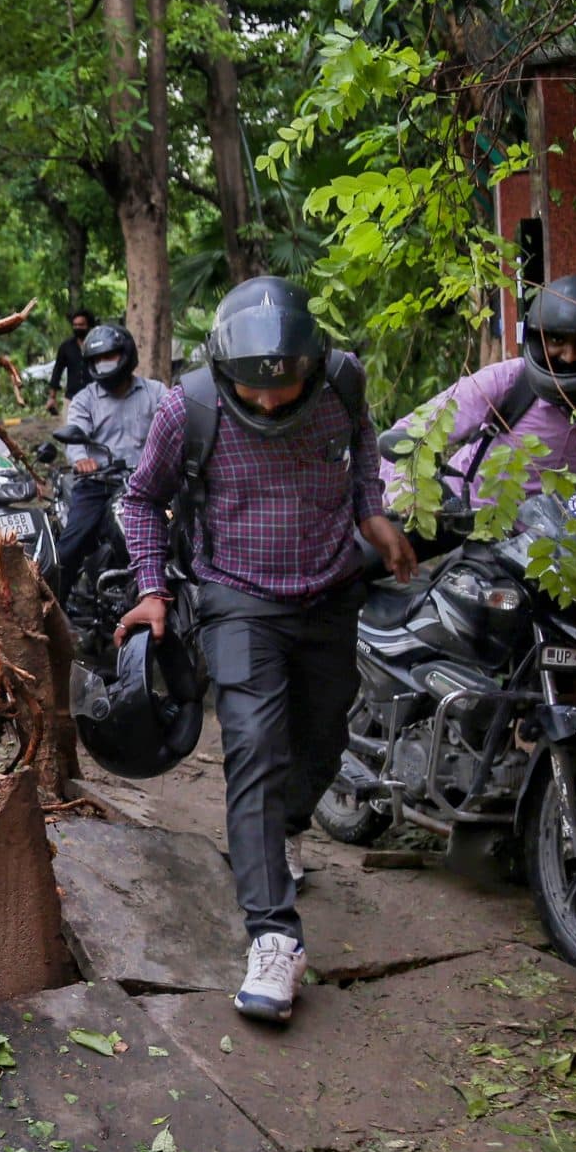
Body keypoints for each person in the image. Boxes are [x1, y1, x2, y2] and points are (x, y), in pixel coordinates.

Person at [116, 278, 418, 1026]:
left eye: (287, 390)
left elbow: (362, 446)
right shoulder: (188, 406)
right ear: (228, 374)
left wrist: (371, 513)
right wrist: (152, 587)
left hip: (330, 588)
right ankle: (273, 937)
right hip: (238, 597)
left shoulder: (341, 379)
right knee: (252, 743)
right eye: (257, 392)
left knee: (321, 739)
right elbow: (139, 498)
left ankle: (280, 831)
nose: (274, 403)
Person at [379, 275, 576, 529]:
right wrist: (408, 495)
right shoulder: (507, 381)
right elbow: (409, 435)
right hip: (469, 526)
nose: (569, 356)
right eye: (556, 340)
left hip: (562, 547)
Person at [51, 323, 166, 602]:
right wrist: (82, 460)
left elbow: (178, 423)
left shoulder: (156, 392)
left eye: (110, 356)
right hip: (99, 484)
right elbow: (75, 438)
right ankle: (53, 614)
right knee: (68, 549)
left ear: (126, 354)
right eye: (98, 360)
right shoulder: (85, 399)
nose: (104, 364)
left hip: (152, 484)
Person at [46, 309, 98, 413]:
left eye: (81, 325)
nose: (77, 328)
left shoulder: (97, 345)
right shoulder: (66, 347)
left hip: (95, 398)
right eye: (75, 325)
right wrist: (52, 397)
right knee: (70, 428)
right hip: (72, 398)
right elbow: (57, 371)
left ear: (89, 325)